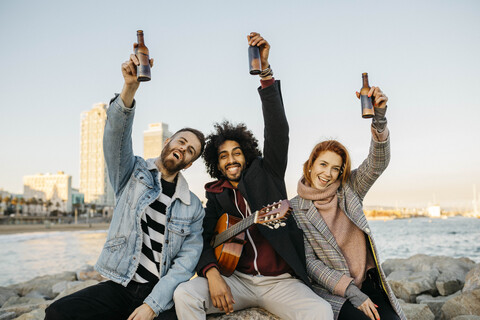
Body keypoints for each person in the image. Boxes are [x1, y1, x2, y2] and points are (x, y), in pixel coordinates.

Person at [173, 32, 333, 320]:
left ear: (246, 153)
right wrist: (211, 274)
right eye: (223, 155)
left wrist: (266, 76)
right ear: (216, 163)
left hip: (280, 282)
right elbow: (202, 239)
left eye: (236, 152)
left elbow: (277, 130)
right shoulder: (216, 195)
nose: (231, 159)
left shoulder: (267, 171)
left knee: (320, 312)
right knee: (184, 294)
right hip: (237, 280)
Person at [45, 45, 206, 320]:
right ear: (168, 142)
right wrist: (129, 89)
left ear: (189, 164)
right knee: (58, 312)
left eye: (190, 150)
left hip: (159, 292)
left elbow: (183, 266)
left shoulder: (192, 208)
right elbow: (116, 139)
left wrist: (152, 306)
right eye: (181, 141)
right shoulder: (132, 172)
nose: (183, 148)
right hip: (120, 285)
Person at [290, 86, 406, 320]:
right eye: (323, 165)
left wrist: (379, 121)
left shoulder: (349, 189)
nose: (328, 173)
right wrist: (351, 292)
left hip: (368, 281)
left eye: (336, 168)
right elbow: (310, 263)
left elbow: (377, 163)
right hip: (333, 291)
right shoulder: (295, 208)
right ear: (310, 164)